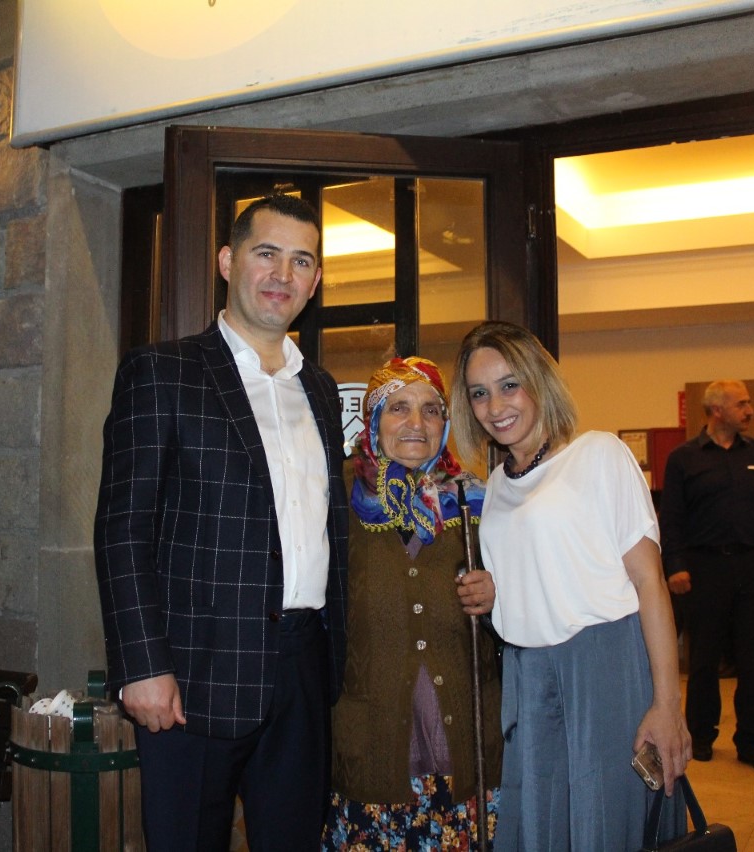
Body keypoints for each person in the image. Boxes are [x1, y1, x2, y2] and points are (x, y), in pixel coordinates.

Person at [93, 194, 349, 851]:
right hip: (192, 673)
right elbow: (123, 529)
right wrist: (141, 665)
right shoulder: (162, 372)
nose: (283, 275)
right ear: (228, 261)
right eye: (267, 254)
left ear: (316, 280)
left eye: (301, 261)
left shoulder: (320, 389)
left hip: (302, 666)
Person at [450, 321, 689, 851]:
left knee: (607, 822)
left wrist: (668, 704)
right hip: (527, 674)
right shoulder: (496, 486)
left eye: (509, 385)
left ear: (538, 381)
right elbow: (547, 574)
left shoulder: (598, 454)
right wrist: (496, 594)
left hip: (604, 666)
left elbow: (649, 582)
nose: (495, 406)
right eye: (479, 393)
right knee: (543, 825)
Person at [324, 356, 502, 851]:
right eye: (398, 408)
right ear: (373, 419)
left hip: (466, 744)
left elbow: (529, 601)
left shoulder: (477, 500)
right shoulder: (334, 498)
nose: (416, 424)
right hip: (371, 742)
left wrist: (497, 594)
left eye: (431, 409)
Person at [660, 380, 754, 775]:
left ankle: (752, 741)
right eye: (742, 404)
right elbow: (671, 518)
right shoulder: (684, 459)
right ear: (717, 410)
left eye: (749, 403)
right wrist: (675, 565)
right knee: (704, 660)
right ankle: (701, 736)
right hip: (705, 570)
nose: (750, 411)